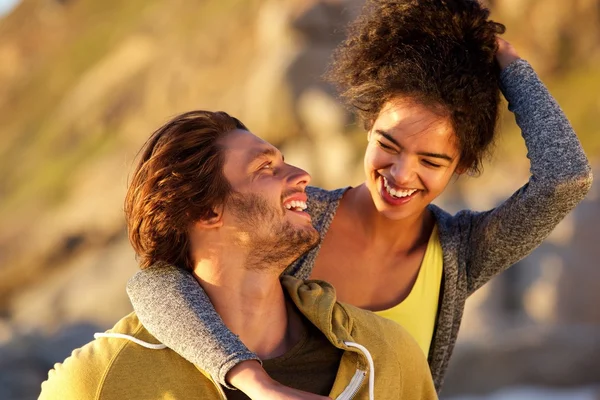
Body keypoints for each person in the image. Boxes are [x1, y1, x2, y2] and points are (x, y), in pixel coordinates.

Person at [125, 0, 593, 397]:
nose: (400, 174)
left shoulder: (460, 255)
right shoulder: (297, 220)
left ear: (462, 167)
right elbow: (156, 283)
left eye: (431, 161)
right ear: (367, 126)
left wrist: (510, 66)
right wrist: (251, 379)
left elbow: (566, 178)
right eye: (388, 145)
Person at [38, 111, 437, 400]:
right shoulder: (99, 382)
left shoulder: (386, 355)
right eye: (265, 168)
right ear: (206, 211)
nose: (301, 174)